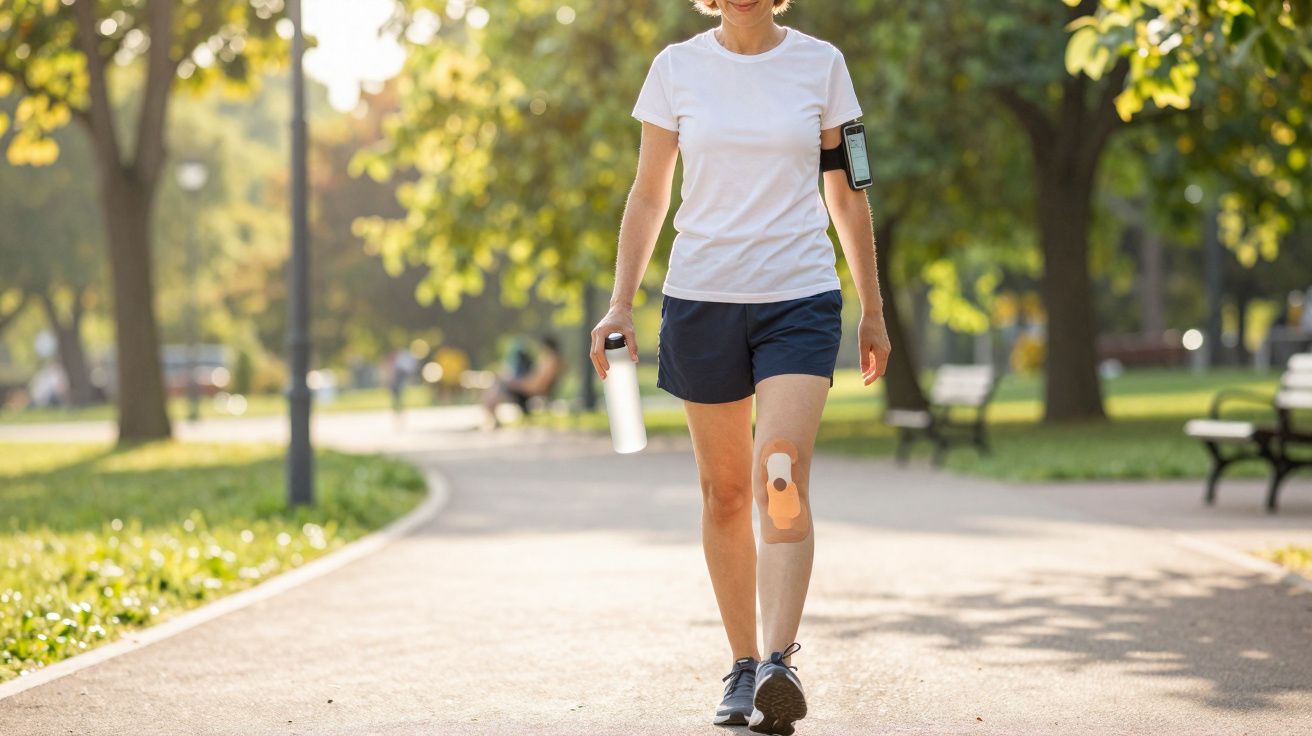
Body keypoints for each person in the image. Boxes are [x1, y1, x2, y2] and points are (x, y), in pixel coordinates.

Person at [589, 2, 891, 733]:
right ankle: (745, 665)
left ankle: (782, 663)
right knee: (725, 493)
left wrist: (873, 308)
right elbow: (650, 191)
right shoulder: (675, 69)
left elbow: (848, 191)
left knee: (777, 471)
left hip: (799, 296)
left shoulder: (822, 66)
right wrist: (620, 303)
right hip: (701, 300)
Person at [481, 335, 564, 429]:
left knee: (500, 384)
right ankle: (492, 418)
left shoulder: (550, 361)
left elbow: (537, 384)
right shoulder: (551, 360)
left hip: (531, 390)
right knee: (500, 383)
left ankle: (492, 418)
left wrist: (519, 382)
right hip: (531, 387)